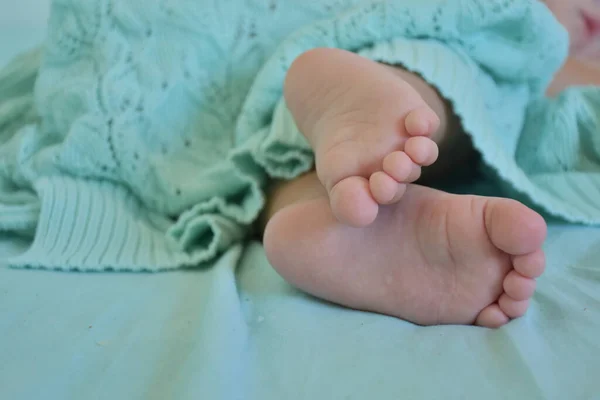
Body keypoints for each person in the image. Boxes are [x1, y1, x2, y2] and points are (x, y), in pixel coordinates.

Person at [260, 0, 600, 328]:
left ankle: (320, 224)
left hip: (283, 136)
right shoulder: (510, 25)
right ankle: (381, 113)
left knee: (290, 194)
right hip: (410, 64)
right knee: (433, 98)